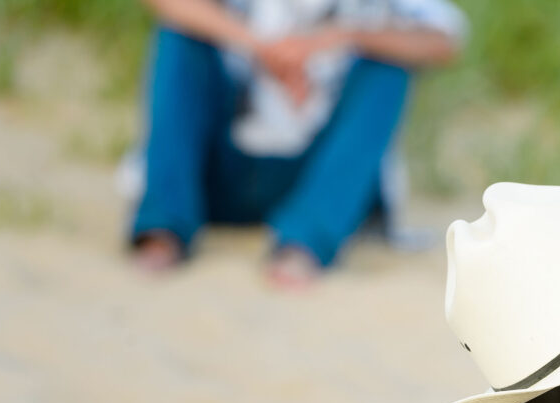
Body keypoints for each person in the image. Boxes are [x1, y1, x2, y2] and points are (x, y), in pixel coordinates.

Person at [128, 0, 466, 286]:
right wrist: (261, 47)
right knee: (180, 35)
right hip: (223, 167)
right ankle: (164, 226)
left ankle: (306, 242)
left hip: (320, 179)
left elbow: (445, 40)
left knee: (389, 65)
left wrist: (344, 37)